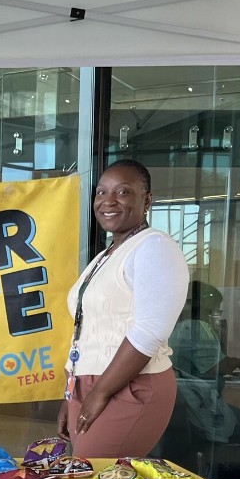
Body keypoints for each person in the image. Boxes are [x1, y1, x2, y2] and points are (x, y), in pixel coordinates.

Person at [56, 159, 189, 458]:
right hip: (91, 386)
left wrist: (99, 392)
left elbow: (150, 331)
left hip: (128, 386)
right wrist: (72, 395)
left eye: (123, 192)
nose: (108, 201)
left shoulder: (154, 248)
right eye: (101, 192)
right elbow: (89, 330)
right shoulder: (108, 254)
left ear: (147, 201)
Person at [167, 280, 240, 447]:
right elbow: (217, 367)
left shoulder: (176, 326)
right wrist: (236, 362)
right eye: (213, 310)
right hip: (200, 406)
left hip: (189, 405)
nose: (213, 316)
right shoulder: (196, 327)